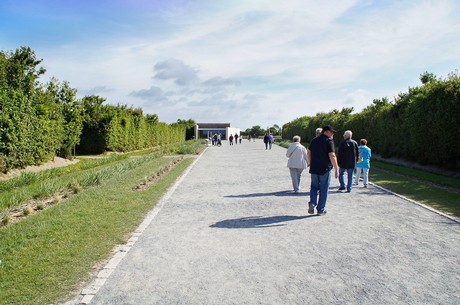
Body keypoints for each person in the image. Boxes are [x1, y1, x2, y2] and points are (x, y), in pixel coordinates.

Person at [307, 125, 339, 216]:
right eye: (332, 132)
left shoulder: (314, 140)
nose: (333, 134)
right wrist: (337, 168)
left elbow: (308, 152)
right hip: (325, 169)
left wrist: (310, 162)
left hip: (314, 168)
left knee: (313, 187)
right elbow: (332, 155)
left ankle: (312, 202)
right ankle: (320, 209)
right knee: (323, 189)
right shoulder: (329, 141)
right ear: (326, 131)